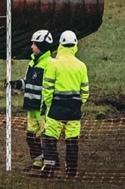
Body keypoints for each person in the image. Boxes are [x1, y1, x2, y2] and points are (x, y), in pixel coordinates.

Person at [41, 30, 90, 178]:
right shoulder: (81, 66)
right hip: (74, 110)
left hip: (56, 108)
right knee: (72, 141)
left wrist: (50, 104)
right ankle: (72, 171)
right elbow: (85, 91)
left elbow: (47, 88)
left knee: (49, 139)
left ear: (61, 45)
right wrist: (78, 103)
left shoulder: (53, 64)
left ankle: (49, 168)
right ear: (75, 45)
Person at [8, 30, 54, 171]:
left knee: (46, 138)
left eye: (35, 44)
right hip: (31, 108)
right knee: (31, 137)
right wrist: (15, 84)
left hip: (42, 109)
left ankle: (49, 165)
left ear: (42, 46)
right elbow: (27, 82)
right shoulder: (32, 63)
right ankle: (38, 162)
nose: (32, 46)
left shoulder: (49, 64)